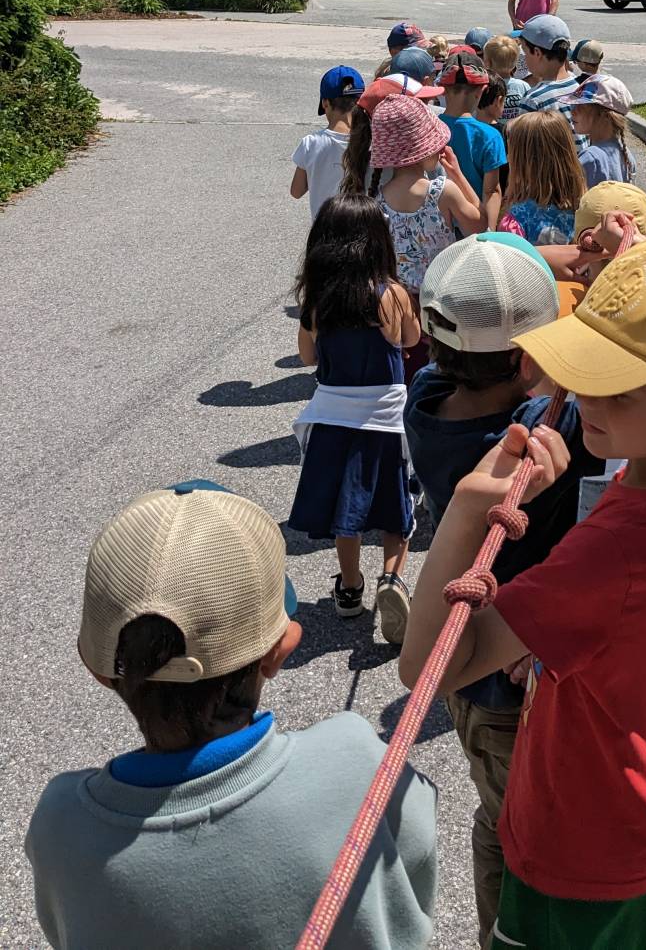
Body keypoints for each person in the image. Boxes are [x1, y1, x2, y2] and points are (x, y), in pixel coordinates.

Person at [400, 235, 646, 950]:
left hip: (585, 838)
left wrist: (472, 505)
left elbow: (428, 671)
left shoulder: (607, 552)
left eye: (619, 387)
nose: (588, 397)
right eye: (587, 370)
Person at [26, 483, 437, 950]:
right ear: (280, 651)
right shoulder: (355, 764)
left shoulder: (60, 825)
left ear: (98, 669)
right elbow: (415, 873)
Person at [404, 234, 604, 947]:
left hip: (464, 661)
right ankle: (508, 933)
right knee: (516, 820)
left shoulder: (426, 401)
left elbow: (481, 257)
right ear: (529, 356)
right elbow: (599, 389)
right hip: (509, 674)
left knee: (498, 808)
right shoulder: (539, 439)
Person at [289, 194, 420, 641]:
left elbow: (307, 357)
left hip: (333, 416)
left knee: (348, 508)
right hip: (385, 416)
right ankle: (392, 579)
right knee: (394, 505)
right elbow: (411, 339)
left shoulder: (319, 302)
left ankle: (349, 587)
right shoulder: (392, 294)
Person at [371, 95, 481, 298]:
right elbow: (480, 226)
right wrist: (457, 174)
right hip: (439, 301)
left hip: (399, 303)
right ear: (424, 147)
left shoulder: (377, 201)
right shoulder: (442, 192)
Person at [340, 74, 444, 199]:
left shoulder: (366, 161)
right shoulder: (417, 168)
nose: (427, 110)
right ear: (396, 117)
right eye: (421, 104)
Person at [438, 50, 506, 228]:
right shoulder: (490, 136)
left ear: (443, 90)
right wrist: (489, 230)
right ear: (481, 90)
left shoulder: (430, 128)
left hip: (437, 224)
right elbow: (491, 190)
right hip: (473, 224)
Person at [497, 109, 585, 245]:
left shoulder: (515, 221)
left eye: (511, 151)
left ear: (526, 162)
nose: (508, 157)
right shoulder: (583, 209)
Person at [290, 64, 365, 215]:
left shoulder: (310, 143)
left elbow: (296, 191)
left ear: (325, 103)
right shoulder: (370, 141)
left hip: (324, 232)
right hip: (363, 228)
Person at [518, 14, 587, 152]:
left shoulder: (533, 100)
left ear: (537, 52)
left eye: (525, 52)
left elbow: (525, 153)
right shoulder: (582, 89)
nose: (525, 59)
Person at [566, 74, 637, 187]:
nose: (573, 111)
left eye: (581, 106)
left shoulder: (590, 159)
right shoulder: (626, 154)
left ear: (605, 115)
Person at [483, 35, 529, 122]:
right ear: (515, 64)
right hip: (516, 132)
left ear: (487, 63)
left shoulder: (484, 87)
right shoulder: (523, 86)